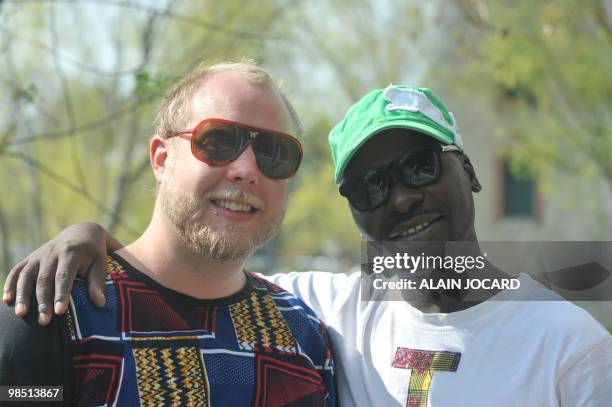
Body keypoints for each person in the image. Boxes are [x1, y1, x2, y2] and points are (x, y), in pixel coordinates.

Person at [5, 84, 612, 406]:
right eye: (370, 184)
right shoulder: (322, 311)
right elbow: (196, 265)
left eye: (421, 166)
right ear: (354, 212)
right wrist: (92, 239)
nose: (400, 198)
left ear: (471, 171)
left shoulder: (570, 347)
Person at [0, 61, 336, 406]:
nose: (247, 170)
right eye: (219, 141)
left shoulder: (304, 332)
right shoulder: (53, 315)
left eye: (274, 152)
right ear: (161, 159)